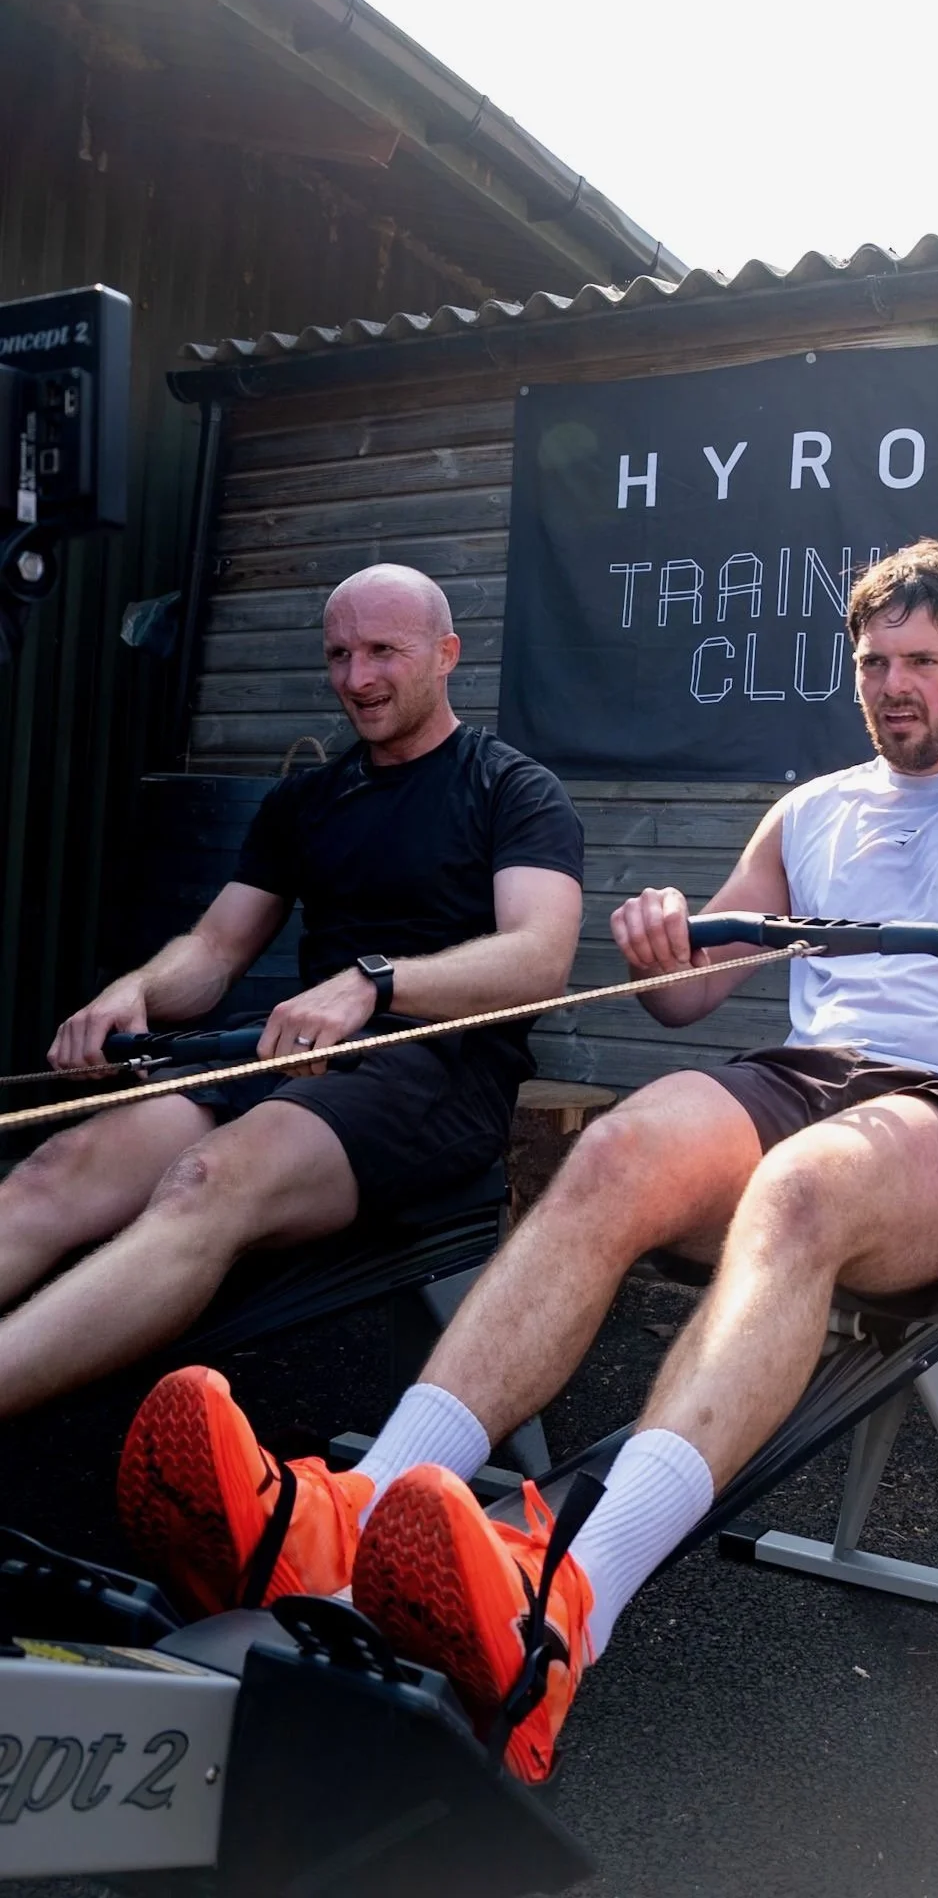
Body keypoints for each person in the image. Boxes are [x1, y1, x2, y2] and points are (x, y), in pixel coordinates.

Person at [120, 540, 938, 1784]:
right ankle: (360, 1505)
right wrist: (660, 945)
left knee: (801, 1187)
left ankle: (567, 1606)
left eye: (922, 661)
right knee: (614, 1150)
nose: (894, 684)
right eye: (874, 662)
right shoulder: (811, 809)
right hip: (813, 1074)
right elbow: (691, 1005)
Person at [0, 564, 583, 1417]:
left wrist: (376, 983)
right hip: (295, 1054)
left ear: (446, 653)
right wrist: (137, 990)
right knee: (56, 1167)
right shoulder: (308, 799)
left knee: (205, 1179)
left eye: (384, 651)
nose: (358, 678)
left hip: (435, 1073)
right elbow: (214, 950)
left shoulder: (512, 788)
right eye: (340, 654)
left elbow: (539, 959)